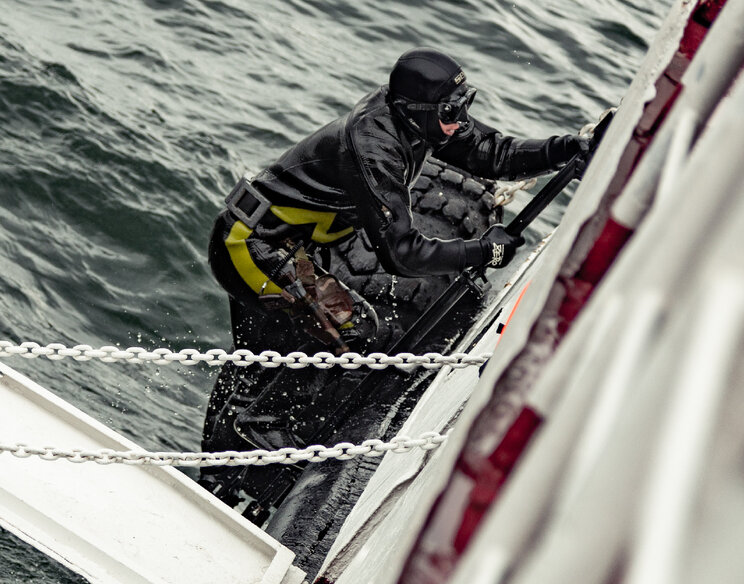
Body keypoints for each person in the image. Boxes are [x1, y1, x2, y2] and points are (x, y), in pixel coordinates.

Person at [200, 47, 590, 461]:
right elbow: (402, 254)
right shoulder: (375, 147)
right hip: (251, 245)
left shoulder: (423, 122)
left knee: (265, 358)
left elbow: (494, 154)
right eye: (450, 110)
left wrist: (566, 148)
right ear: (413, 110)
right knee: (354, 328)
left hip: (289, 244)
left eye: (465, 104)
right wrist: (482, 251)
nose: (460, 120)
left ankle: (228, 451)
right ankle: (260, 428)